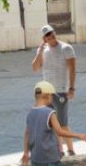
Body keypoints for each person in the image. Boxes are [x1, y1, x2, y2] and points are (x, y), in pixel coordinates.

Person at [31, 24, 78, 155]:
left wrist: (72, 88)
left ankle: (71, 150)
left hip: (61, 90)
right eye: (47, 35)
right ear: (43, 38)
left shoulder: (66, 48)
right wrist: (39, 51)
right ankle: (60, 150)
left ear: (55, 33)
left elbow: (72, 69)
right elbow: (35, 68)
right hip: (46, 92)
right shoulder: (43, 50)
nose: (50, 36)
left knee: (62, 123)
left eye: (51, 33)